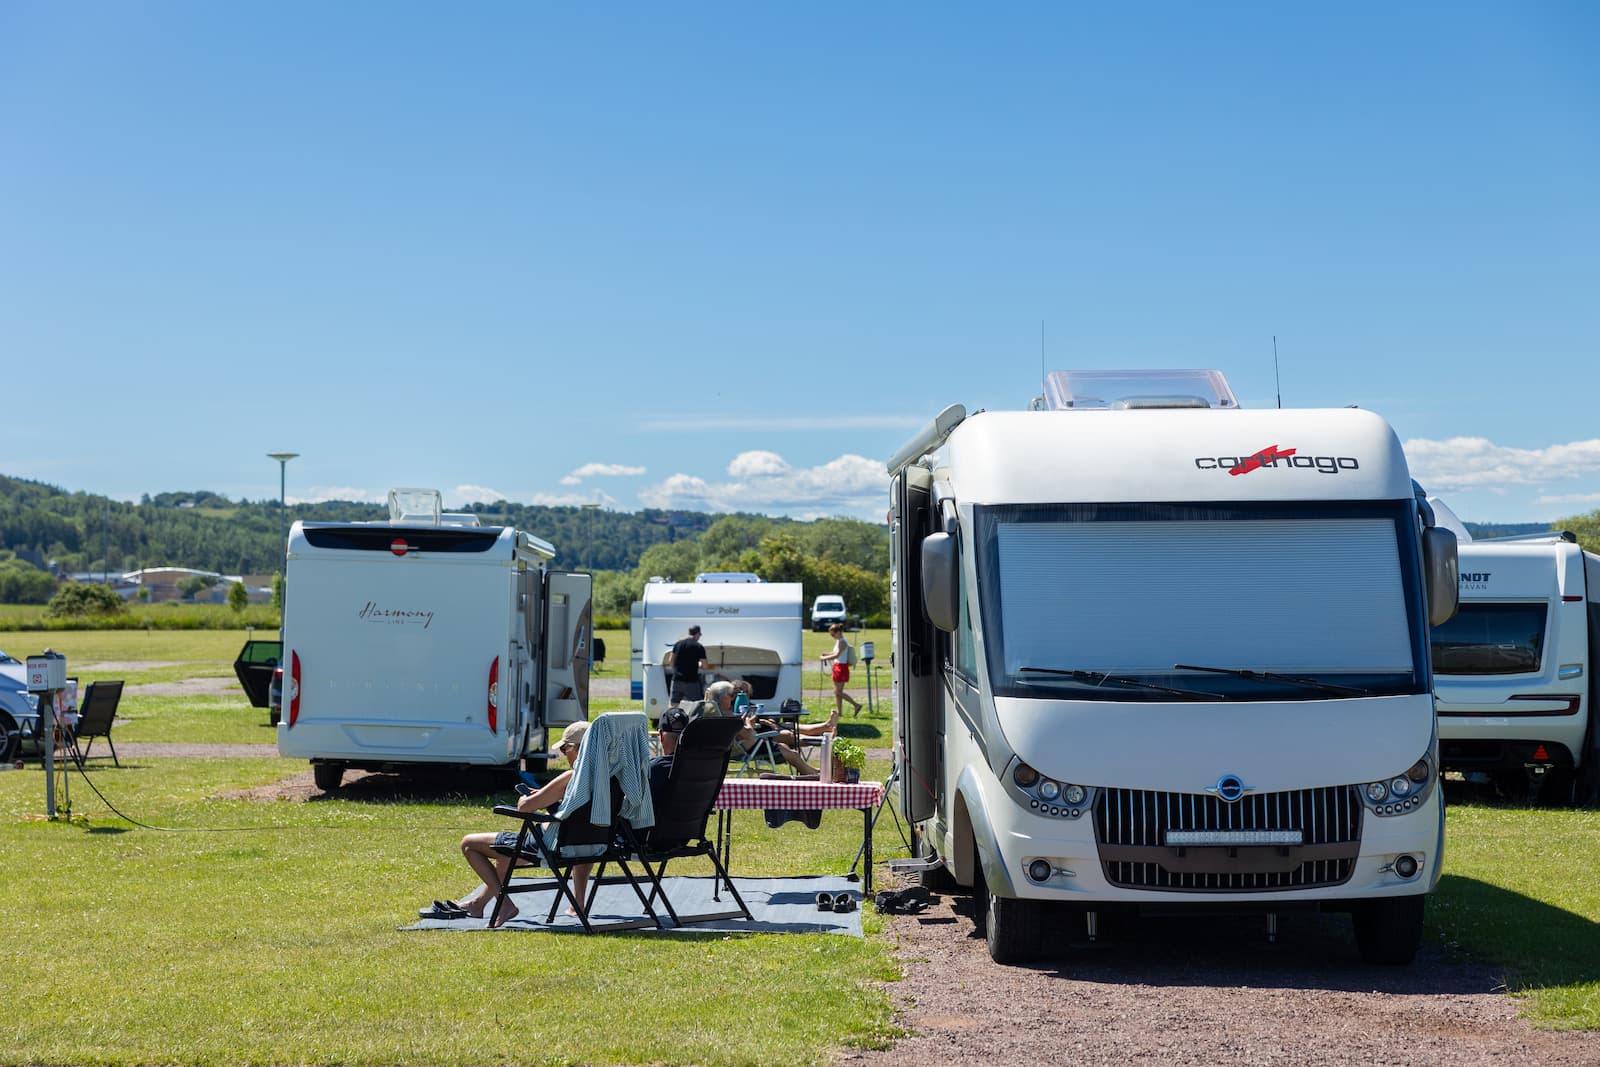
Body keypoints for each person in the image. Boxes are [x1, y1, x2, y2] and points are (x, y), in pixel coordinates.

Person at [439, 720, 592, 927]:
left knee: (469, 843)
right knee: (505, 854)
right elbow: (580, 816)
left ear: (576, 748)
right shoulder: (606, 778)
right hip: (589, 844)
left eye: (565, 749)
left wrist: (527, 798)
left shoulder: (571, 777)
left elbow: (525, 807)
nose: (564, 755)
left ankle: (505, 905)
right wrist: (552, 800)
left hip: (550, 845)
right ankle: (478, 904)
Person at [819, 623, 863, 717]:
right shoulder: (839, 641)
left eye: (833, 634)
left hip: (841, 667)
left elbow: (837, 655)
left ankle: (856, 705)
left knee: (838, 692)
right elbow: (834, 652)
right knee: (837, 693)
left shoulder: (842, 642)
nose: (832, 636)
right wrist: (826, 654)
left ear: (838, 632)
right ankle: (840, 713)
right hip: (837, 666)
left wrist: (825, 658)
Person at [668, 624, 711, 703]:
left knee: (674, 704)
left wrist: (676, 671)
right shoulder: (699, 646)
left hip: (677, 680)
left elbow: (670, 661)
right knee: (696, 705)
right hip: (691, 681)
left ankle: (672, 715)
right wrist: (699, 665)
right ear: (697, 634)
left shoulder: (678, 644)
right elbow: (705, 665)